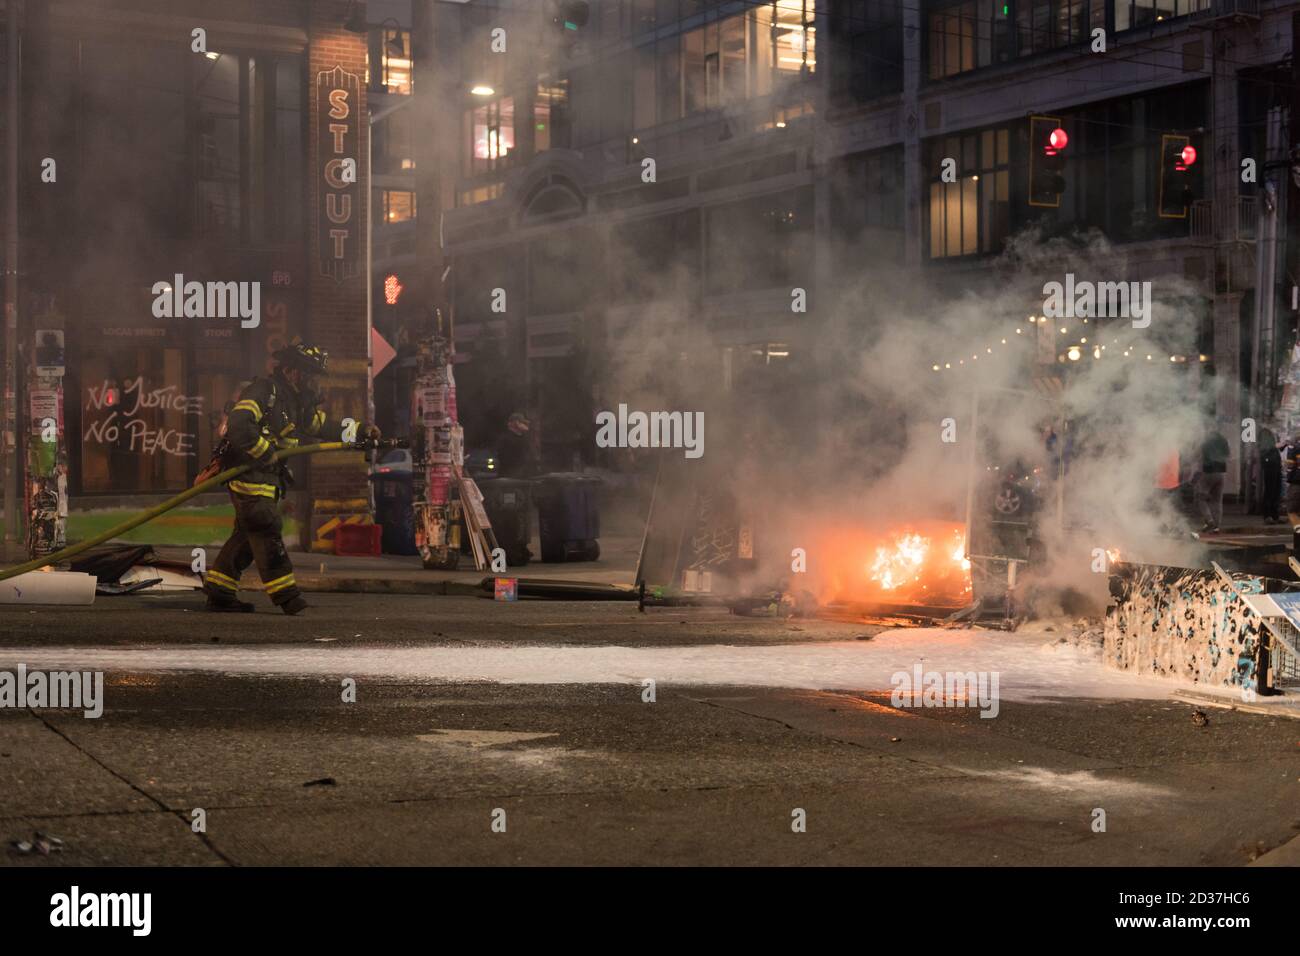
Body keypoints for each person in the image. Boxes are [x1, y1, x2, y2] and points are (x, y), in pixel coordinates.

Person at [202, 339, 379, 614]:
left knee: (248, 537)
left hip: (268, 478)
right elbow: (238, 424)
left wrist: (359, 431)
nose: (312, 380)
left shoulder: (296, 402)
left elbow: (322, 425)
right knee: (266, 526)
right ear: (291, 371)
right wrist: (264, 452)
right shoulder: (264, 391)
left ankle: (219, 590)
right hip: (248, 474)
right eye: (308, 373)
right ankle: (288, 596)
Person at [1197, 427, 1230, 534]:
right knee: (1217, 501)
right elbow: (1228, 455)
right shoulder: (1223, 440)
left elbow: (1199, 456)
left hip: (1208, 472)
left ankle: (1209, 520)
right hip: (1220, 473)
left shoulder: (1206, 441)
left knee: (1201, 497)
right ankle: (1216, 527)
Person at [498, 411, 538, 479]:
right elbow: (506, 459)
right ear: (517, 423)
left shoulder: (524, 438)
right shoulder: (506, 439)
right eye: (524, 423)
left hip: (523, 477)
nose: (526, 425)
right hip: (511, 477)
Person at [1259, 429, 1283, 524]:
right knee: (1270, 491)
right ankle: (1267, 515)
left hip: (1276, 467)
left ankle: (1275, 515)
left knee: (1276, 491)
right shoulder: (1265, 442)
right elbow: (1265, 453)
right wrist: (1275, 446)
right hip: (1270, 468)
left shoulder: (1271, 443)